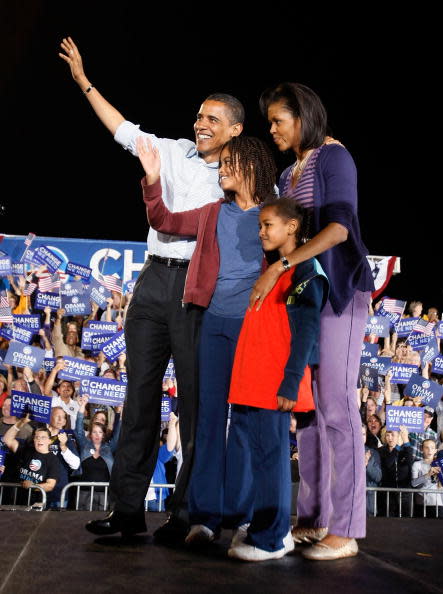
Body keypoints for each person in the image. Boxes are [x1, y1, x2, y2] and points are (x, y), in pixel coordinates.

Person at [59, 37, 244, 540]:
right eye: (198, 116)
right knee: (139, 399)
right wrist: (84, 81)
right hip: (151, 284)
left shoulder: (236, 180)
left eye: (211, 119)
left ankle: (186, 514)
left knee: (194, 405)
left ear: (234, 129)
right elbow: (120, 127)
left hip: (195, 292)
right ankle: (127, 512)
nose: (199, 124)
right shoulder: (170, 150)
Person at [250, 82, 374, 560]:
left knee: (339, 409)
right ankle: (313, 517)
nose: (274, 130)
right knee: (308, 411)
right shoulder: (288, 174)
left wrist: (282, 266)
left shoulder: (333, 157)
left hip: (339, 292)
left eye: (279, 120)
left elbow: (340, 227)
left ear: (302, 116)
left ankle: (345, 529)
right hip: (304, 296)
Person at [137, 134, 278, 546]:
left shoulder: (274, 214)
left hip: (252, 330)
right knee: (209, 420)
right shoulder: (212, 213)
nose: (223, 168)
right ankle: (205, 518)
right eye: (223, 163)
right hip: (213, 325)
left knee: (248, 425)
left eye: (232, 162)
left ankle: (247, 517)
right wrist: (153, 179)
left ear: (252, 167)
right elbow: (163, 220)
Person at [226, 197, 328, 562]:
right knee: (251, 460)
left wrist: (289, 382)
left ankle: (272, 537)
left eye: (268, 224)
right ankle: (259, 526)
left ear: (292, 227)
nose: (262, 231)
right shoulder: (268, 269)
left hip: (273, 385)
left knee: (270, 460)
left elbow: (306, 331)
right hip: (250, 384)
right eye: (260, 225)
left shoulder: (305, 271)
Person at [73, 396, 121, 510]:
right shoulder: (85, 444)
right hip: (83, 491)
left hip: (103, 493)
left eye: (100, 432)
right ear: (90, 433)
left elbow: (117, 433)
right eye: (94, 432)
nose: (97, 434)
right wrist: (82, 407)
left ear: (104, 434)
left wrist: (119, 413)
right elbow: (78, 431)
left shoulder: (109, 447)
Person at [2, 415, 61, 506]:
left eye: (43, 437)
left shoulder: (53, 460)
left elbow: (50, 485)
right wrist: (20, 423)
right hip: (14, 499)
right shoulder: (26, 451)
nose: (39, 440)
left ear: (50, 441)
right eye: (36, 437)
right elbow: (7, 439)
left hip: (35, 503)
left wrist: (33, 486)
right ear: (33, 440)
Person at [411, 439, 443, 518]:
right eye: (426, 447)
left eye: (432, 448)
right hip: (422, 503)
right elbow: (413, 484)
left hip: (438, 502)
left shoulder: (440, 464)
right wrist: (428, 474)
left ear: (435, 450)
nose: (429, 450)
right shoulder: (417, 464)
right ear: (422, 449)